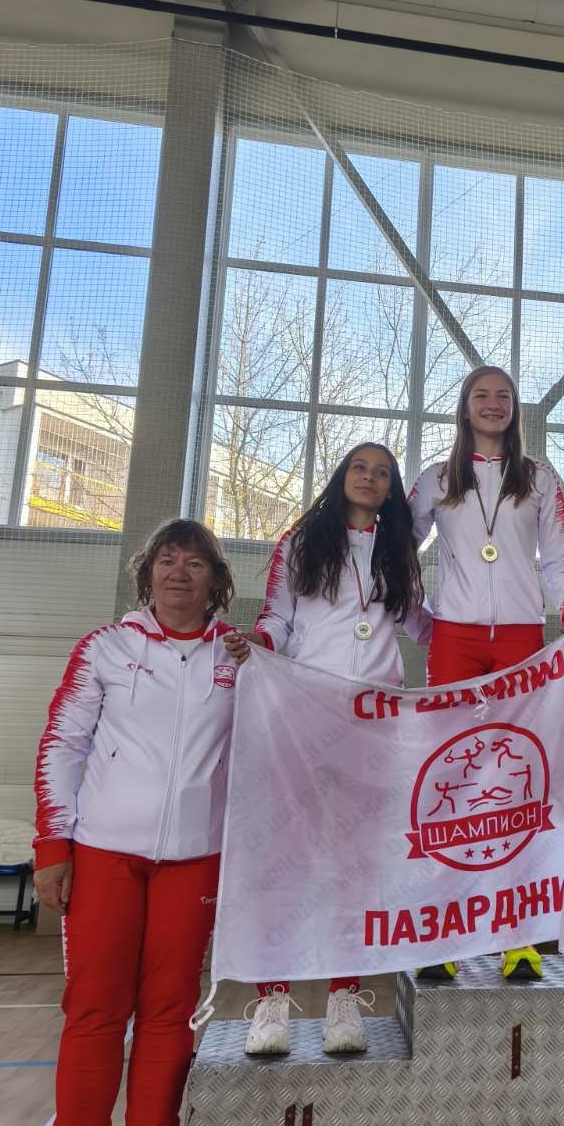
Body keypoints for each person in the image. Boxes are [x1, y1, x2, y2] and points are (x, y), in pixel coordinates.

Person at [25, 521, 239, 1126]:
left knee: (169, 1015)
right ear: (146, 574)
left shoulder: (240, 658)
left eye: (196, 563)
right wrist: (52, 847)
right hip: (104, 855)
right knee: (93, 1013)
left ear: (217, 581)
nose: (179, 572)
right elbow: (62, 745)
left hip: (195, 861)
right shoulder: (104, 648)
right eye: (166, 560)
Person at [224, 443, 429, 1059]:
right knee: (285, 859)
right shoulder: (300, 542)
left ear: (392, 489)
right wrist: (259, 643)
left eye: (383, 473)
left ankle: (345, 999)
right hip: (302, 713)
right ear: (342, 477)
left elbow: (421, 624)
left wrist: (500, 643)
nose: (370, 478)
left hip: (372, 723)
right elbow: (277, 618)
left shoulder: (400, 551)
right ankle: (272, 1003)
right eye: (360, 468)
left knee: (356, 866)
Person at [408, 365, 564, 981]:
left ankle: (521, 937)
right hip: (454, 640)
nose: (493, 404)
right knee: (451, 781)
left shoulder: (538, 477)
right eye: (481, 395)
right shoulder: (436, 479)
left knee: (518, 782)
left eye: (504, 396)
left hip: (520, 638)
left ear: (515, 409)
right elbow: (397, 550)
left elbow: (558, 556)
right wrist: (420, 618)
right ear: (464, 408)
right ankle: (445, 937)